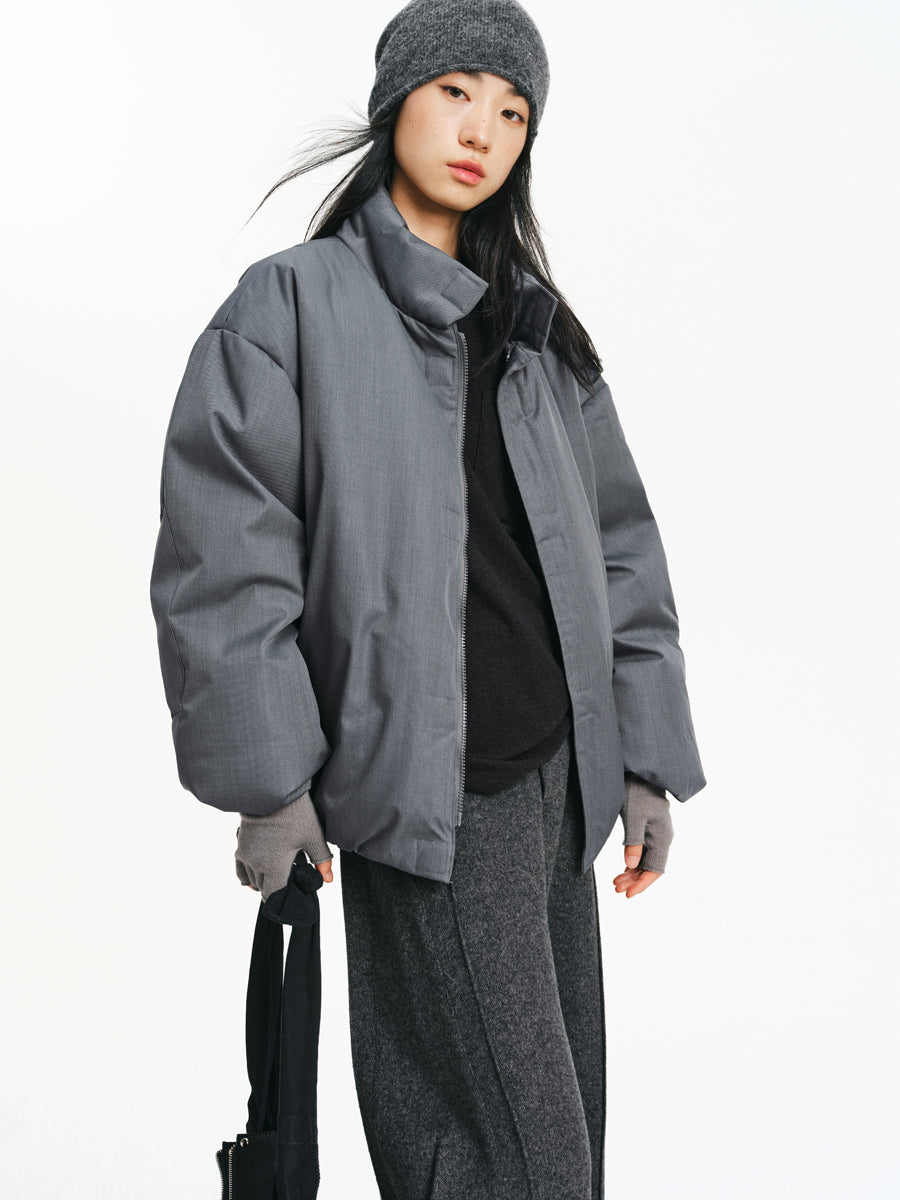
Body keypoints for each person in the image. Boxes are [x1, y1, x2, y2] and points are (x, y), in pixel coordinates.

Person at [149, 1, 707, 1196]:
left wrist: (642, 758)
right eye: (457, 91)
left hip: (556, 789)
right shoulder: (289, 308)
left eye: (513, 112)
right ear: (395, 99)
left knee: (550, 1146)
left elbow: (619, 546)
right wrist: (271, 789)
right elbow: (224, 559)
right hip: (430, 796)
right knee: (516, 1163)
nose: (482, 131)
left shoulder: (535, 327)